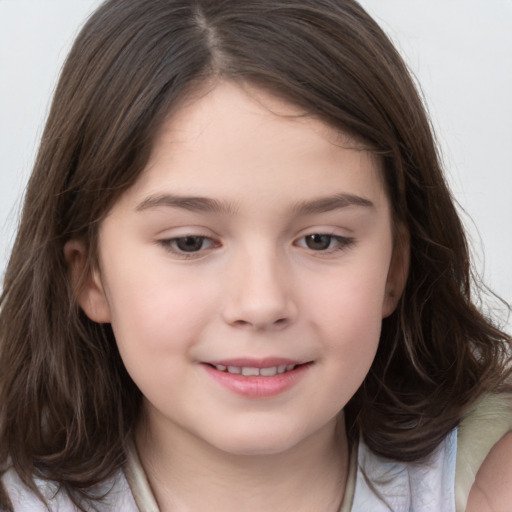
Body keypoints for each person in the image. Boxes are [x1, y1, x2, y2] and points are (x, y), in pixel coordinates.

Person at [0, 0, 511, 510]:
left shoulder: (491, 480)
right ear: (90, 276)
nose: (262, 303)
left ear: (394, 267)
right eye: (190, 242)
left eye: (321, 240)